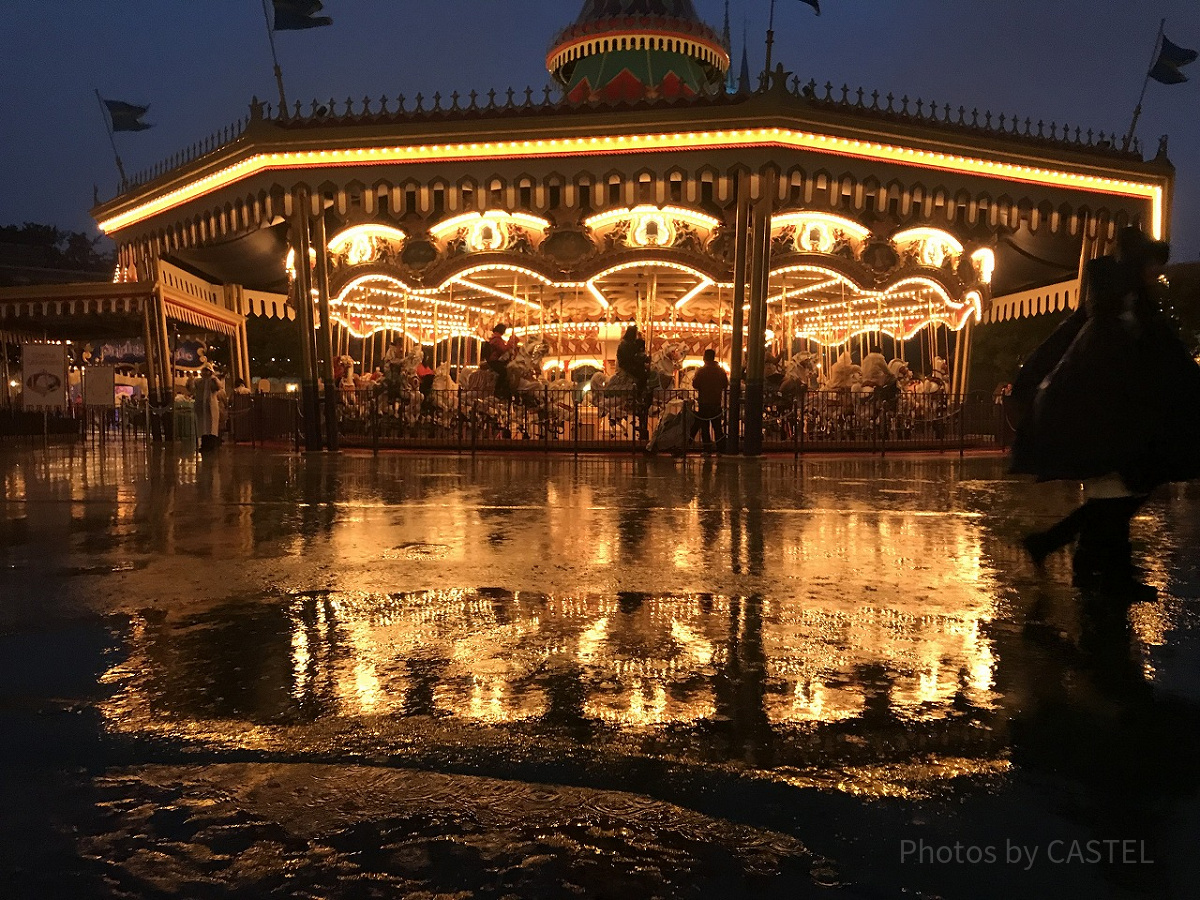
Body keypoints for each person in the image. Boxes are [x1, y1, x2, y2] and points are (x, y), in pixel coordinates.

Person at [1013, 226, 1200, 592]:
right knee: (1119, 490)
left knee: (1125, 489)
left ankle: (1071, 553)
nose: (1155, 273)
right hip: (1106, 423)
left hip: (1112, 422)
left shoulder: (1123, 309)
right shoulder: (1115, 315)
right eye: (1150, 265)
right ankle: (1098, 567)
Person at [688, 349, 728, 452]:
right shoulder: (720, 370)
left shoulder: (701, 371)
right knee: (717, 427)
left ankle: (707, 448)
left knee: (705, 427)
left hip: (704, 402)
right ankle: (721, 448)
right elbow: (725, 384)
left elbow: (695, 384)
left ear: (705, 357)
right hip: (716, 402)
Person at [616, 325, 651, 441]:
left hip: (629, 363)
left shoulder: (628, 343)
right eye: (635, 333)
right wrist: (642, 359)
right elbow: (632, 356)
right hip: (627, 366)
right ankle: (639, 395)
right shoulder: (626, 345)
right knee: (643, 375)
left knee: (645, 372)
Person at [193, 366, 226, 456]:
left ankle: (211, 445)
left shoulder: (213, 381)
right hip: (201, 408)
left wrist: (214, 378)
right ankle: (204, 445)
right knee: (203, 427)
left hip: (211, 407)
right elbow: (192, 387)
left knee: (211, 427)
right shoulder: (199, 381)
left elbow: (219, 387)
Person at [483, 324, 517, 399]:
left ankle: (506, 391)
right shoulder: (496, 339)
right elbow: (502, 349)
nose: (504, 332)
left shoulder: (496, 338)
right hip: (494, 360)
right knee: (504, 372)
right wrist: (510, 343)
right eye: (504, 330)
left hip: (496, 359)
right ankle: (497, 390)